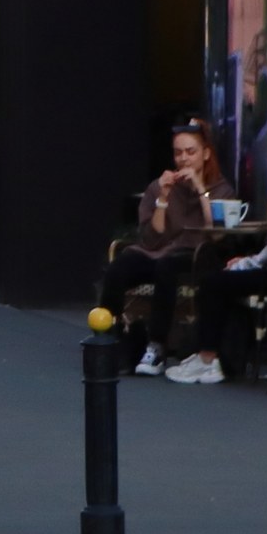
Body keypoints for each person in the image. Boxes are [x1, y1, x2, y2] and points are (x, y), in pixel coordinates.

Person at [167, 130, 267, 386]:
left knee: (214, 283)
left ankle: (207, 359)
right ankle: (226, 357)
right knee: (228, 281)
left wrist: (246, 263)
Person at [96, 122, 222, 374]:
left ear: (206, 153)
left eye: (190, 152)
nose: (184, 159)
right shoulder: (159, 186)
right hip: (156, 251)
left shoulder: (220, 187)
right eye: (178, 153)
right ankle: (110, 335)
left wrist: (201, 190)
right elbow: (151, 240)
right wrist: (163, 198)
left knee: (167, 267)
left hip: (194, 254)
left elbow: (216, 233)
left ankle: (157, 346)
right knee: (120, 267)